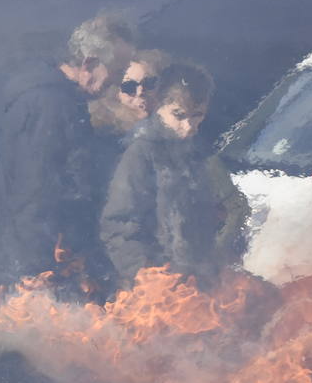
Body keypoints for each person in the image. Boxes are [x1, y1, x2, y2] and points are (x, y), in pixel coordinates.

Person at [0, 14, 135, 298]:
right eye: (115, 72)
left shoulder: (60, 102)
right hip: (28, 267)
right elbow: (33, 192)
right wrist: (37, 271)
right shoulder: (49, 105)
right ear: (88, 64)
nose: (116, 83)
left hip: (39, 259)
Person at [100, 62, 249, 290]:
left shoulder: (200, 153)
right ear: (159, 106)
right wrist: (146, 276)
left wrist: (220, 256)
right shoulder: (141, 152)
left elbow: (230, 209)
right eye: (178, 115)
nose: (188, 126)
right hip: (158, 290)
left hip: (200, 283)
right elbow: (118, 224)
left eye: (197, 115)